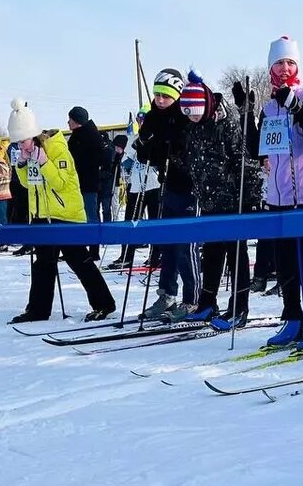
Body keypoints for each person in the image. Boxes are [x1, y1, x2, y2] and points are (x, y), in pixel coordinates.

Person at [238, 36, 303, 350]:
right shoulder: (269, 108)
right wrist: (245, 112)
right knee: (283, 264)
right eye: (279, 63)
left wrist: (297, 108)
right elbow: (257, 149)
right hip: (276, 196)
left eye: (290, 62)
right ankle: (292, 319)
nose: (284, 68)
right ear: (270, 68)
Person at [6, 98, 115, 323]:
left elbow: (61, 183)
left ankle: (104, 303)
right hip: (41, 215)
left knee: (79, 261)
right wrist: (22, 165)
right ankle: (38, 309)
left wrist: (44, 162)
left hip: (65, 215)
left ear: (33, 134)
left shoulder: (57, 148)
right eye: (18, 143)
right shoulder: (27, 151)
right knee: (43, 264)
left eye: (23, 141)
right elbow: (27, 184)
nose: (21, 146)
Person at [180, 72, 263, 328]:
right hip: (208, 200)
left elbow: (242, 161)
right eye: (188, 114)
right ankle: (207, 303)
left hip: (232, 200)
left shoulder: (226, 125)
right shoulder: (192, 127)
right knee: (212, 254)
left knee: (236, 255)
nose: (193, 118)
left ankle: (239, 307)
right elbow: (191, 159)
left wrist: (249, 197)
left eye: (195, 113)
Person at [134, 69, 199, 319]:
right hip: (167, 186)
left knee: (185, 246)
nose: (161, 100)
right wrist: (144, 143)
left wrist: (176, 148)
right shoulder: (153, 116)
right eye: (158, 95)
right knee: (167, 244)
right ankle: (167, 294)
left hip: (189, 188)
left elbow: (194, 147)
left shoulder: (186, 114)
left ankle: (192, 299)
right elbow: (147, 154)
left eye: (166, 96)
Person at [108, 106, 162, 270]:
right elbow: (125, 161)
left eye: (143, 119)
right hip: (136, 187)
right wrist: (126, 155)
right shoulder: (134, 138)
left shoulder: (158, 137)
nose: (141, 122)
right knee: (130, 222)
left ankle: (156, 255)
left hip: (154, 185)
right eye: (139, 119)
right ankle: (126, 256)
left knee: (154, 223)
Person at [66, 105, 107, 259]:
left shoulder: (89, 136)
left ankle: (93, 251)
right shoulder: (79, 135)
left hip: (88, 184)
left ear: (77, 121)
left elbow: (100, 159)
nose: (68, 122)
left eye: (70, 119)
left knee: (90, 216)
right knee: (78, 217)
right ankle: (80, 250)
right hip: (79, 183)